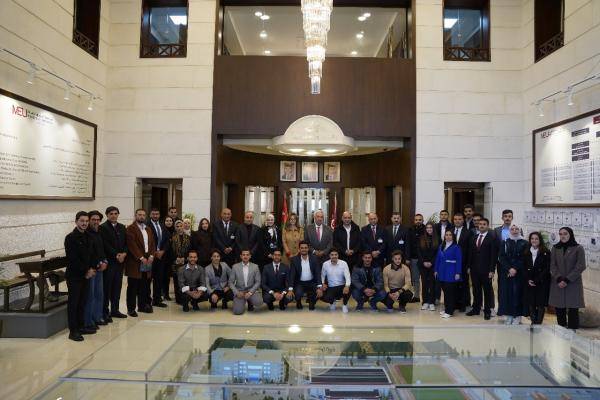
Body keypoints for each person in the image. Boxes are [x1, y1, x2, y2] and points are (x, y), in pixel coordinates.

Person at [64, 211, 95, 341]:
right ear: (76, 221)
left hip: (86, 275)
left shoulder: (89, 236)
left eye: (86, 221)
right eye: (82, 221)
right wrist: (86, 271)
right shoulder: (70, 238)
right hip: (75, 276)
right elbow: (73, 259)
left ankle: (81, 326)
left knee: (83, 302)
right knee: (74, 303)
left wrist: (92, 268)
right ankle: (73, 331)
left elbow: (91, 255)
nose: (84, 223)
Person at [549, 227, 586, 330]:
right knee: (559, 308)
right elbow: (552, 265)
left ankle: (572, 333)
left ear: (570, 234)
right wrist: (559, 278)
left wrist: (567, 280)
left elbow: (581, 266)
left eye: (565, 233)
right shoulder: (555, 248)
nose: (563, 236)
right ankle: (561, 332)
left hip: (573, 283)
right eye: (560, 234)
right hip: (558, 283)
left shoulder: (578, 248)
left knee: (573, 310)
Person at [125, 209, 156, 317]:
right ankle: (131, 309)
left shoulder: (148, 228)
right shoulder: (130, 228)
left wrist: (151, 255)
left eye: (143, 215)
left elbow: (152, 243)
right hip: (135, 261)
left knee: (145, 285)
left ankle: (142, 306)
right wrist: (141, 257)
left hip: (147, 260)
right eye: (139, 215)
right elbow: (131, 245)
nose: (142, 217)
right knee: (133, 286)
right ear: (135, 216)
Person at [99, 206, 128, 321]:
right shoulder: (103, 228)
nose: (113, 215)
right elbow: (105, 244)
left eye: (116, 213)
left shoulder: (122, 227)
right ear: (107, 215)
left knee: (117, 287)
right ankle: (105, 312)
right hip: (110, 262)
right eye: (111, 214)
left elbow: (126, 243)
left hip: (120, 263)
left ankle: (115, 310)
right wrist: (116, 255)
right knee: (107, 287)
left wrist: (124, 253)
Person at [466, 218, 497, 320]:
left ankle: (487, 311)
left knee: (487, 291)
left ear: (488, 226)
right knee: (476, 290)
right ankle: (476, 309)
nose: (482, 226)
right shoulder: (474, 237)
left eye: (484, 224)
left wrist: (492, 270)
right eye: (480, 224)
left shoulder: (492, 238)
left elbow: (493, 255)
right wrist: (469, 266)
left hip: (486, 270)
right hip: (474, 269)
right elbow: (470, 253)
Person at [498, 224, 528, 324]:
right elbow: (501, 257)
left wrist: (515, 268)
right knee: (508, 294)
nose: (514, 231)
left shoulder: (525, 243)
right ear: (509, 231)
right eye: (512, 229)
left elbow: (524, 258)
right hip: (507, 273)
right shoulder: (505, 242)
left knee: (518, 294)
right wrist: (509, 268)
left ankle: (518, 316)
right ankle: (509, 315)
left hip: (520, 273)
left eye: (516, 229)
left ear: (520, 230)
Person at [84, 210, 108, 332]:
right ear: (89, 220)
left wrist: (105, 261)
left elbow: (102, 250)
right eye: (93, 219)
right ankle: (89, 321)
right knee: (91, 296)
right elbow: (89, 253)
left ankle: (97, 317)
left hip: (100, 268)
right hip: (91, 269)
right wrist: (98, 263)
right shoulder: (86, 233)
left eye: (98, 220)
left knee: (99, 294)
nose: (96, 222)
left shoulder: (99, 232)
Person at [523, 232, 551, 325]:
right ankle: (533, 323)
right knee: (531, 303)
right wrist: (528, 279)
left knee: (540, 304)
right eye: (532, 239)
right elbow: (524, 267)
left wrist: (537, 280)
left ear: (540, 240)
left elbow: (547, 268)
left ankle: (538, 324)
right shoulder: (526, 252)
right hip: (529, 282)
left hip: (541, 282)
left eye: (536, 239)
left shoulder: (546, 252)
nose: (534, 240)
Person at [435, 230, 462, 319]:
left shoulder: (456, 247)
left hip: (451, 272)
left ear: (453, 237)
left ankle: (449, 311)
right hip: (442, 272)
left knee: (450, 293)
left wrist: (458, 272)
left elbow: (459, 260)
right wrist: (436, 270)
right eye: (446, 235)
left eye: (450, 235)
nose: (448, 236)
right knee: (445, 292)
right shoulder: (441, 246)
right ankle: (447, 308)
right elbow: (438, 259)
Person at [288, 241, 322, 310]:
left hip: (312, 282)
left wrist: (319, 287)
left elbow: (318, 273)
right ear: (299, 249)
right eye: (302, 248)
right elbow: (292, 275)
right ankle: (298, 301)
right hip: (300, 283)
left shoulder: (314, 258)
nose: (304, 249)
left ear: (308, 249)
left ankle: (312, 301)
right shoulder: (294, 260)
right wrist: (290, 289)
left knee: (319, 293)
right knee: (298, 294)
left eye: (305, 248)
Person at [386, 212, 413, 300]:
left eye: (398, 218)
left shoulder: (405, 229)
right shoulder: (387, 229)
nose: (396, 220)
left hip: (401, 258)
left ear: (400, 219)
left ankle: (401, 295)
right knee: (390, 276)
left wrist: (408, 258)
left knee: (400, 276)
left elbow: (408, 245)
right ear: (391, 219)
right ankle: (390, 295)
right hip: (389, 257)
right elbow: (385, 244)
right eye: (394, 218)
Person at [229, 249, 263, 315]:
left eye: (247, 255)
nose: (245, 256)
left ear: (250, 256)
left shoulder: (255, 267)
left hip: (251, 291)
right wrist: (237, 293)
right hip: (240, 291)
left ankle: (250, 302)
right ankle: (241, 302)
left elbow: (258, 282)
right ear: (241, 256)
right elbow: (230, 282)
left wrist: (250, 293)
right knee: (237, 312)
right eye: (243, 255)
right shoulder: (235, 267)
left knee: (259, 302)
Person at [320, 249, 351, 313]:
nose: (334, 256)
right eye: (332, 255)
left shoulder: (343, 263)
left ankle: (344, 304)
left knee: (350, 287)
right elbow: (322, 276)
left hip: (341, 286)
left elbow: (348, 276)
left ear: (338, 255)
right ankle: (332, 301)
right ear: (329, 256)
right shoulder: (325, 264)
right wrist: (323, 283)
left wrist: (347, 286)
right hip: (331, 287)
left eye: (335, 254)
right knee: (323, 296)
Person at [148, 208, 168, 308]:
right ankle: (147, 300)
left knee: (159, 279)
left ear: (159, 215)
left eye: (157, 214)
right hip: (150, 257)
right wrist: (154, 252)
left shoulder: (162, 225)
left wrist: (163, 251)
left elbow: (167, 240)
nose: (155, 216)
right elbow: (146, 241)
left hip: (161, 257)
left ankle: (157, 299)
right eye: (153, 214)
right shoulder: (146, 225)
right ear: (150, 215)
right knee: (148, 279)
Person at [452, 212, 472, 312]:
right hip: (451, 263)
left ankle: (463, 304)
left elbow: (470, 250)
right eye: (455, 219)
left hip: (463, 263)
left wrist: (468, 265)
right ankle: (454, 303)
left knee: (463, 284)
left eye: (459, 219)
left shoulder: (468, 232)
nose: (457, 221)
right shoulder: (450, 231)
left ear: (463, 220)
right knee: (453, 284)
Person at [417, 222, 438, 311]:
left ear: (433, 229)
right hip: (423, 265)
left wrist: (432, 262)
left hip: (433, 265)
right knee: (424, 283)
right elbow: (419, 252)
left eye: (431, 228)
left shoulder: (437, 239)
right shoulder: (421, 238)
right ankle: (425, 302)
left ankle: (432, 302)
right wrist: (423, 262)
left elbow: (438, 253)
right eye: (427, 228)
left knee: (433, 284)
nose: (429, 229)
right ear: (425, 229)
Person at [169, 220, 191, 304]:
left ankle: (185, 298)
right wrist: (176, 258)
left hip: (185, 262)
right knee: (177, 281)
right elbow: (170, 251)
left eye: (180, 226)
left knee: (185, 281)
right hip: (176, 263)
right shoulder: (172, 238)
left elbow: (190, 249)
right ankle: (178, 299)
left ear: (183, 226)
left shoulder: (188, 237)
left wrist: (184, 258)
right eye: (177, 226)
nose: (179, 228)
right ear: (175, 228)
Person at [408, 214, 425, 302]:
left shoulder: (426, 229)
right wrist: (408, 257)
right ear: (414, 221)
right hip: (414, 258)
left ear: (423, 220)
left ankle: (426, 297)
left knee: (425, 278)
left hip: (424, 258)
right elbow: (408, 244)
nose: (418, 221)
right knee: (415, 278)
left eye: (420, 220)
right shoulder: (410, 230)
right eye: (416, 220)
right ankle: (416, 296)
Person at [162, 216, 175, 299]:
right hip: (163, 256)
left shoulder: (175, 231)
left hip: (171, 257)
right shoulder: (161, 230)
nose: (169, 222)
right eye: (167, 220)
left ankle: (166, 293)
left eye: (170, 221)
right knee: (162, 276)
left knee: (168, 277)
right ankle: (162, 293)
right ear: (164, 222)